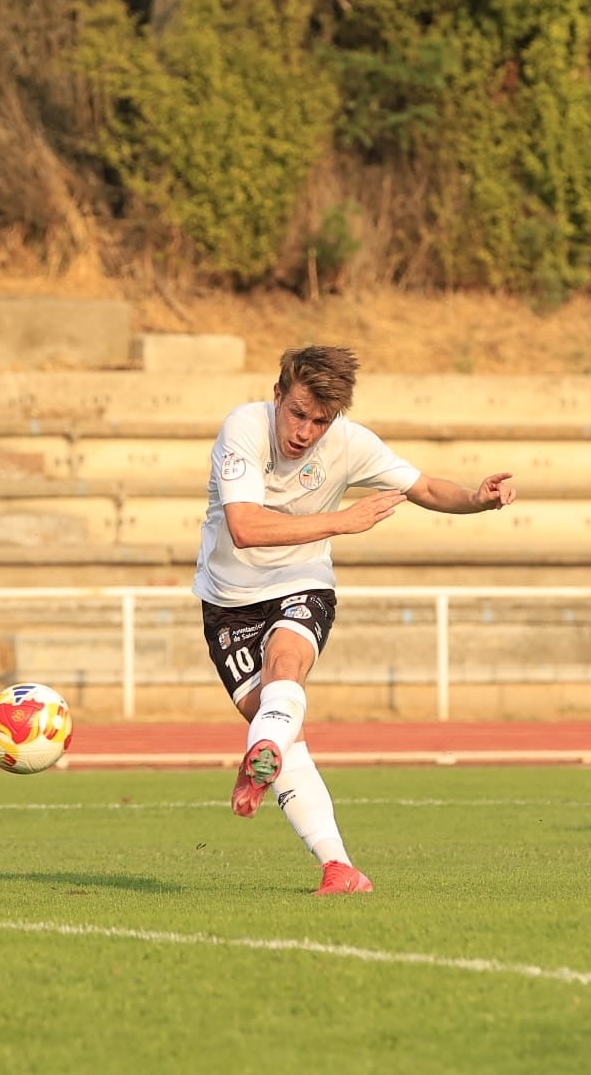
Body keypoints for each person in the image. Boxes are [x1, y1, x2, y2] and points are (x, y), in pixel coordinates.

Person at [195, 345, 516, 894]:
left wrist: (476, 498)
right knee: (281, 730)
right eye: (297, 413)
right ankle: (338, 865)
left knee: (285, 668)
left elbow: (424, 487)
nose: (305, 431)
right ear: (278, 397)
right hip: (228, 601)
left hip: (302, 584)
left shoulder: (349, 443)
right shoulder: (244, 429)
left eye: (320, 420)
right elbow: (245, 527)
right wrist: (341, 522)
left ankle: (266, 760)